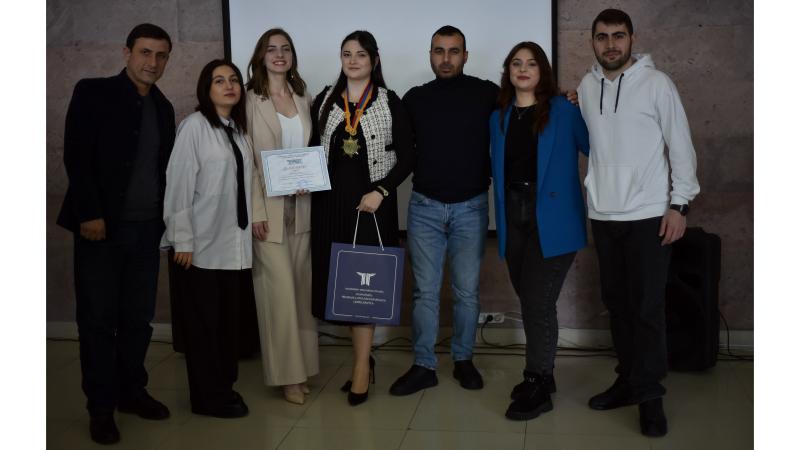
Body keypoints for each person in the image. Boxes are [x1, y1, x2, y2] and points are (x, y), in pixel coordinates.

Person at [577, 9, 700, 437]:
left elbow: (680, 145)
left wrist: (679, 205)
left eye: (618, 36)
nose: (610, 44)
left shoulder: (657, 83)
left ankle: (650, 397)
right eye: (602, 36)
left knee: (647, 309)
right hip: (603, 213)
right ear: (592, 41)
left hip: (649, 215)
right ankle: (628, 381)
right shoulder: (586, 87)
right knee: (619, 306)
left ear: (632, 39)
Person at [56, 23, 174, 445]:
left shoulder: (163, 107)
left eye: (161, 55)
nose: (152, 62)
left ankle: (131, 392)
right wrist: (89, 212)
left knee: (138, 320)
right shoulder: (93, 92)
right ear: (126, 53)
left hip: (147, 231)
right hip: (100, 230)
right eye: (145, 52)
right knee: (98, 322)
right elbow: (76, 155)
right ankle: (101, 408)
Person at [390, 25, 498, 396]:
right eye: (439, 51)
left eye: (454, 51)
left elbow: (527, 107)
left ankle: (464, 359)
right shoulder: (415, 98)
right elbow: (397, 148)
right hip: (425, 208)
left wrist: (564, 98)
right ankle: (424, 365)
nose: (446, 58)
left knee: (466, 292)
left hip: (471, 207)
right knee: (425, 293)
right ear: (430, 55)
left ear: (465, 56)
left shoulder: (487, 93)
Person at [309, 30, 413, 406]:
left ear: (374, 59)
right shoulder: (325, 100)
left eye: (361, 54)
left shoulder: (388, 101)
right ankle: (363, 359)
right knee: (337, 287)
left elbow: (408, 156)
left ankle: (359, 369)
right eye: (347, 54)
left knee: (362, 289)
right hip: (330, 207)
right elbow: (311, 151)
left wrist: (381, 191)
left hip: (371, 208)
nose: (353, 61)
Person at [489, 42, 590, 421]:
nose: (523, 69)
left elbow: (595, 147)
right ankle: (544, 376)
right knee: (532, 299)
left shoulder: (563, 109)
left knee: (536, 300)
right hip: (513, 215)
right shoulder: (498, 116)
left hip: (554, 217)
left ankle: (537, 381)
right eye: (516, 63)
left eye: (531, 63)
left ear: (542, 70)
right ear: (508, 71)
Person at [161, 59, 254, 419]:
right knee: (204, 329)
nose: (229, 86)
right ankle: (207, 398)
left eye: (234, 80)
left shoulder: (238, 130)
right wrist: (181, 240)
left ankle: (223, 388)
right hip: (199, 248)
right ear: (206, 88)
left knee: (226, 326)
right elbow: (179, 184)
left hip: (231, 246)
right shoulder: (194, 127)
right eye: (219, 80)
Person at [244, 28, 319, 405]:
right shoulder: (249, 100)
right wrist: (256, 210)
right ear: (261, 55)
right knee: (279, 296)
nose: (279, 54)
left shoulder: (304, 96)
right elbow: (247, 162)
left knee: (301, 293)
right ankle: (287, 377)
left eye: (285, 48)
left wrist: (309, 178)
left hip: (301, 209)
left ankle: (304, 370)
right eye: (271, 49)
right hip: (268, 213)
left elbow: (309, 151)